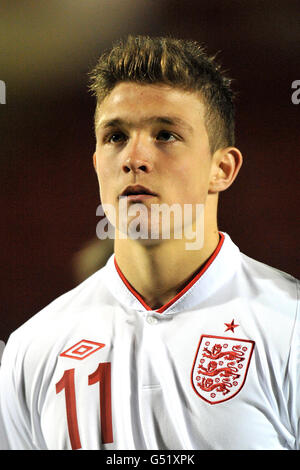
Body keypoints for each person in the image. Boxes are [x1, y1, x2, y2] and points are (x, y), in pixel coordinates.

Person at [0, 35, 299, 451]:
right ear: (96, 164)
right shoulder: (33, 347)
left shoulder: (290, 328)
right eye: (116, 136)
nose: (134, 157)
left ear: (222, 169)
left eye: (165, 135)